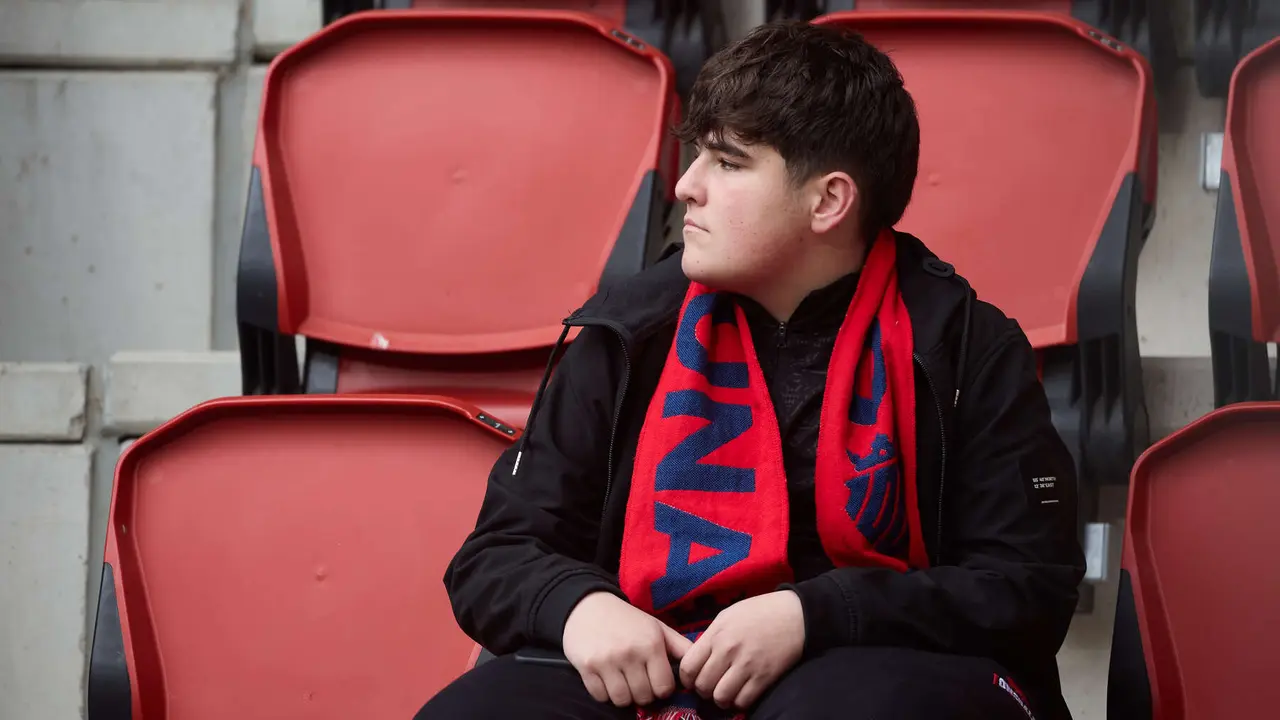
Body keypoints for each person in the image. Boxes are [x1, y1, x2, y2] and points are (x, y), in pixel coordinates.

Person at [416, 19, 1084, 720]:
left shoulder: (964, 346)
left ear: (828, 201)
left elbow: (1025, 591)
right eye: (696, 157)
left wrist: (814, 614)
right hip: (659, 662)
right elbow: (495, 554)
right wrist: (580, 607)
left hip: (877, 666)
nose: (687, 188)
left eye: (729, 164)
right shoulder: (628, 334)